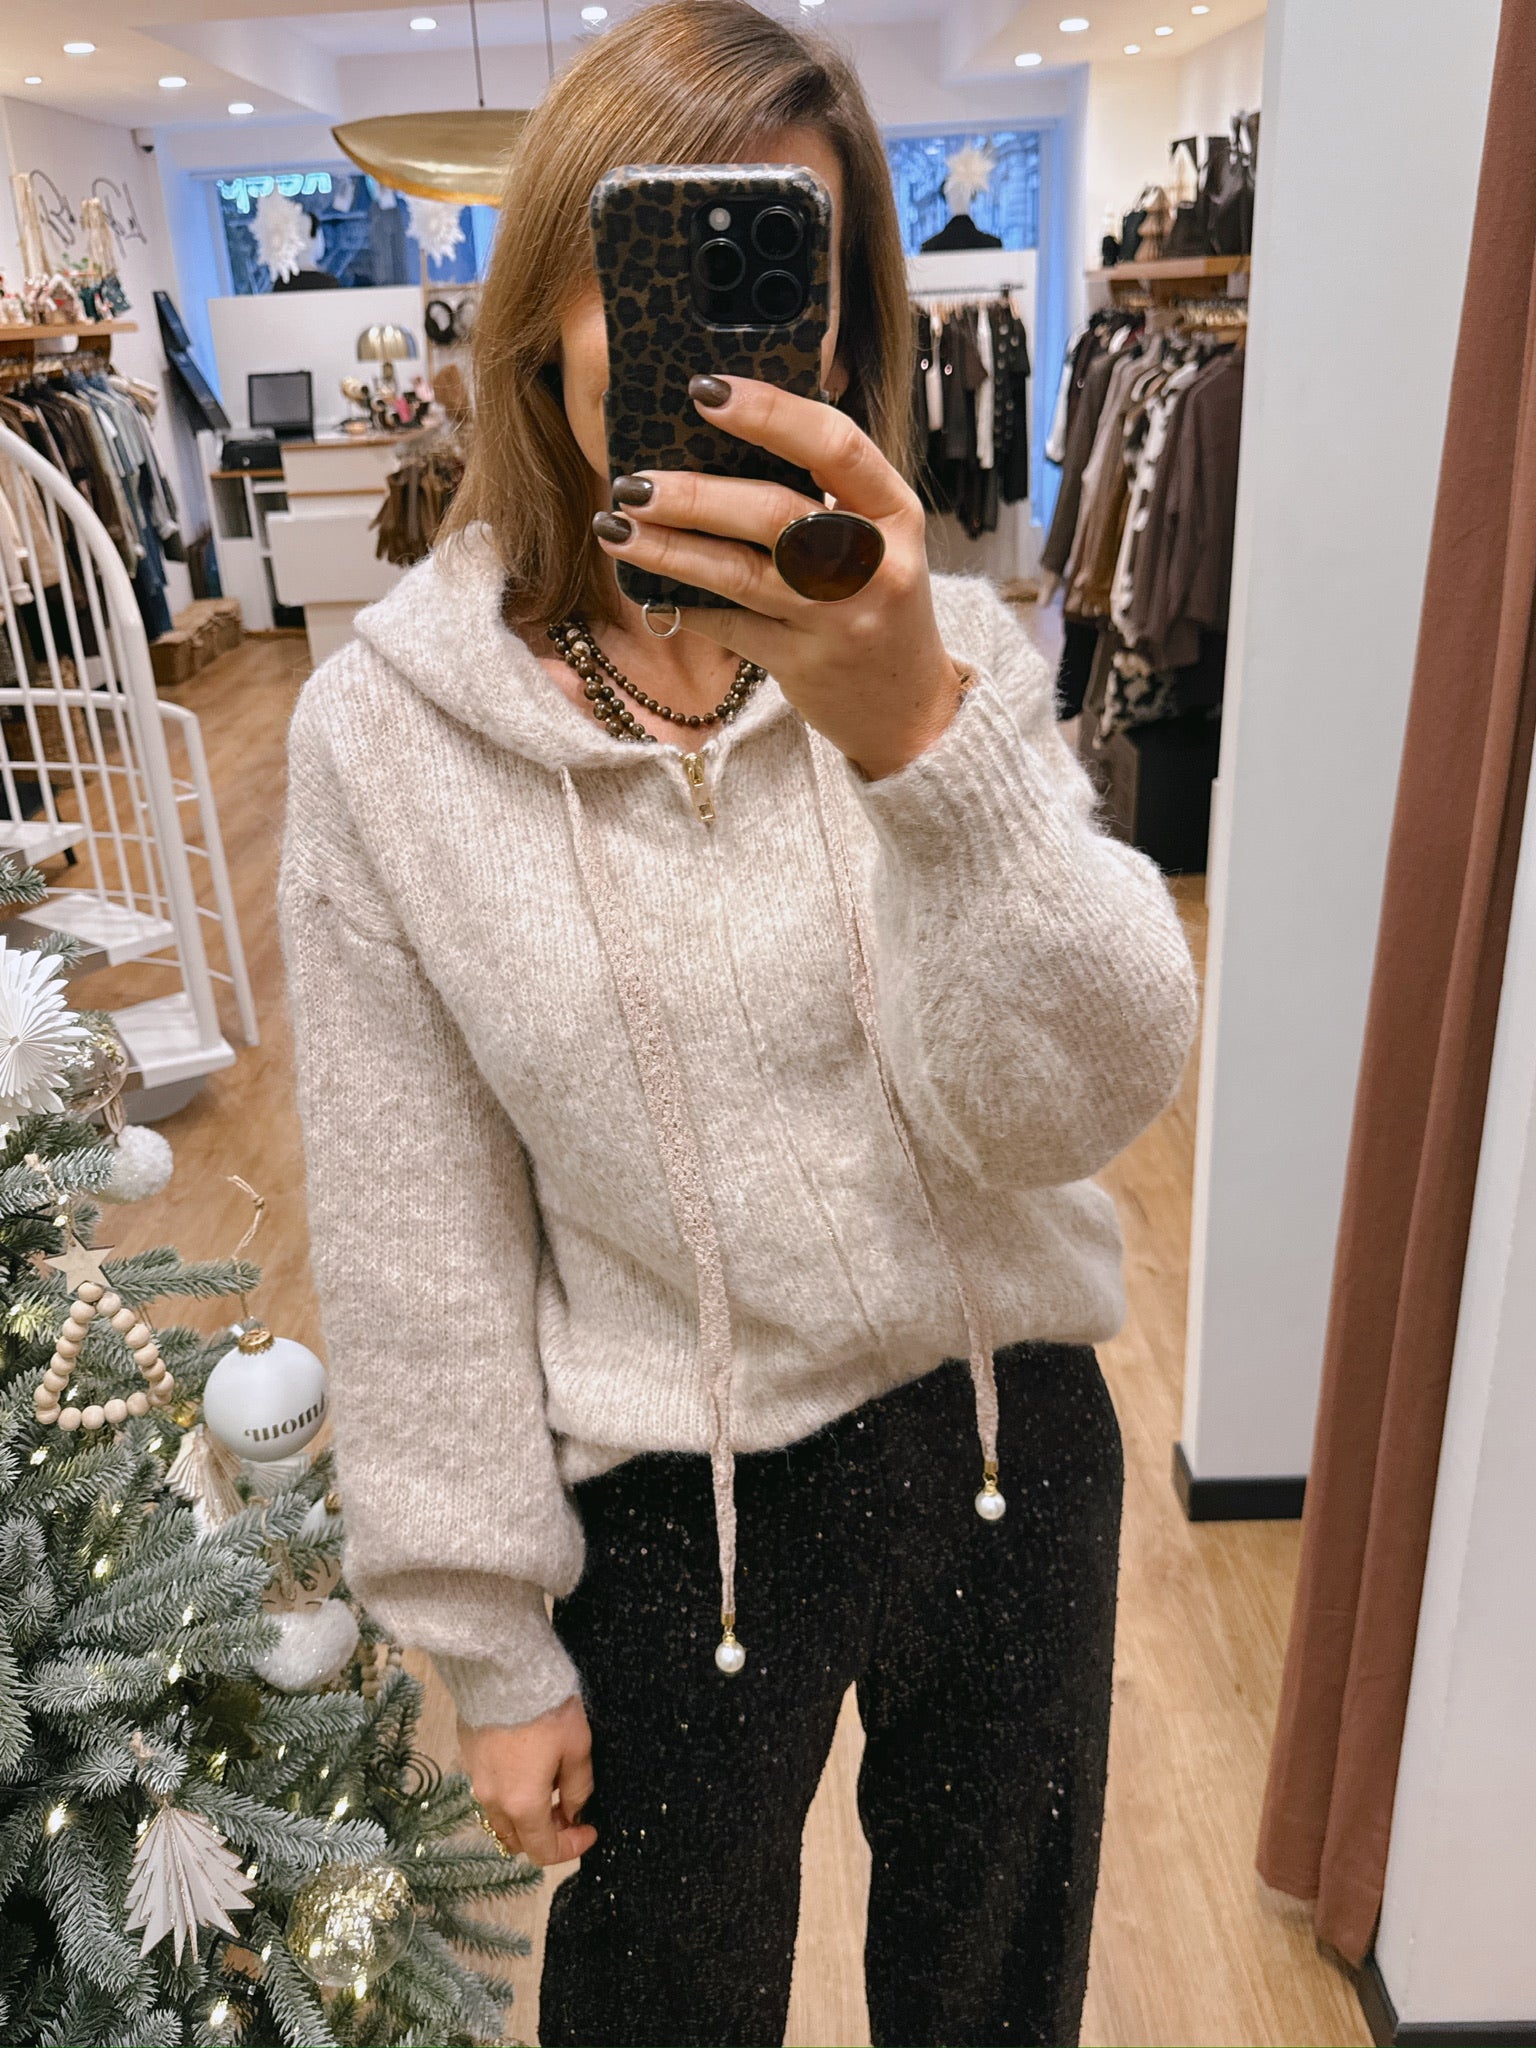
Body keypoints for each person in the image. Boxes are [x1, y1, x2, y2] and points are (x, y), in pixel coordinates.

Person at [278, 3, 1197, 2042]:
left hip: (1002, 1436)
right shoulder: (386, 740)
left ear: (846, 331)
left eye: (783, 266)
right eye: (657, 259)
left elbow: (1086, 1096)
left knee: (996, 1995)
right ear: (545, 311)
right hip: (677, 1493)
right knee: (657, 2006)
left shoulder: (941, 651)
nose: (714, 332)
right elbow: (417, 1225)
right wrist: (488, 1642)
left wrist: (922, 748)